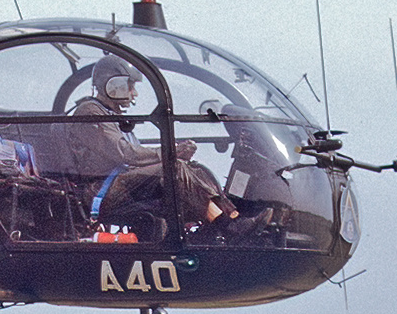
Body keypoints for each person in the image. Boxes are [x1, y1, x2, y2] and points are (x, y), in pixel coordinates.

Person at [67, 55, 266, 238]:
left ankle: (230, 218)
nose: (134, 93)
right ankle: (228, 226)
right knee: (175, 168)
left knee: (195, 169)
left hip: (118, 182)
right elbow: (126, 154)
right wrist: (171, 152)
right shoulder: (90, 111)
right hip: (100, 189)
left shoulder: (109, 114)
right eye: (130, 85)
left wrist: (174, 153)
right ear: (113, 84)